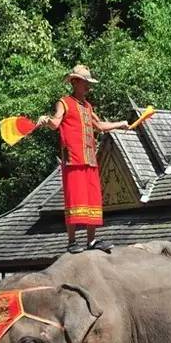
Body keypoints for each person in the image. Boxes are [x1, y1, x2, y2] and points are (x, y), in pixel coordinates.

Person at [37, 64, 130, 253]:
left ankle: (91, 240)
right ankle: (72, 241)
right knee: (74, 199)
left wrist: (120, 124)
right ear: (75, 82)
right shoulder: (64, 102)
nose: (88, 86)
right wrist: (46, 120)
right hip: (73, 159)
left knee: (92, 198)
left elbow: (99, 126)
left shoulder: (87, 106)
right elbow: (55, 123)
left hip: (90, 159)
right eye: (85, 82)